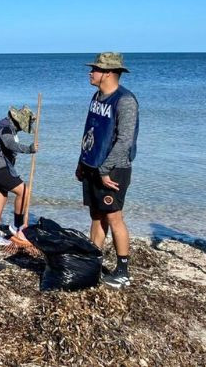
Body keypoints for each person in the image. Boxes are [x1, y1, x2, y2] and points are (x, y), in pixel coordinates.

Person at [76, 52, 139, 289]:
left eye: (95, 69)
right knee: (96, 215)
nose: (90, 72)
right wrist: (81, 161)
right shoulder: (96, 97)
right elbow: (90, 131)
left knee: (114, 217)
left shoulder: (125, 100)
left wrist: (105, 169)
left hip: (114, 168)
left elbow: (125, 140)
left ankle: (123, 271)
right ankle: (94, 262)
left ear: (109, 73)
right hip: (92, 165)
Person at [0, 105, 38, 246]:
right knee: (24, 191)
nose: (21, 129)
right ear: (17, 121)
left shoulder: (5, 124)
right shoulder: (6, 128)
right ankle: (17, 226)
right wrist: (29, 149)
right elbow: (10, 144)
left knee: (0, 199)